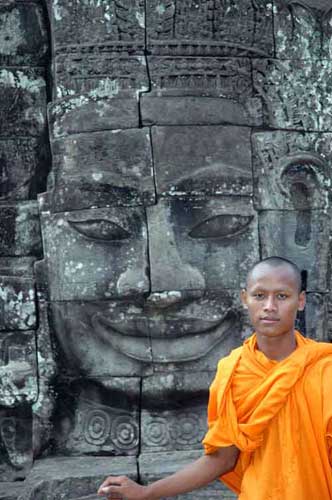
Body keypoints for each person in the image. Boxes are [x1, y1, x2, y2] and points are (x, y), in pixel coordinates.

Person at [97, 256, 332, 500]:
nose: (270, 306)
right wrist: (147, 492)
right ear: (245, 299)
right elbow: (222, 458)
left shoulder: (325, 370)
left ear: (301, 301)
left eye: (282, 296)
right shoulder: (233, 372)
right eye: (259, 296)